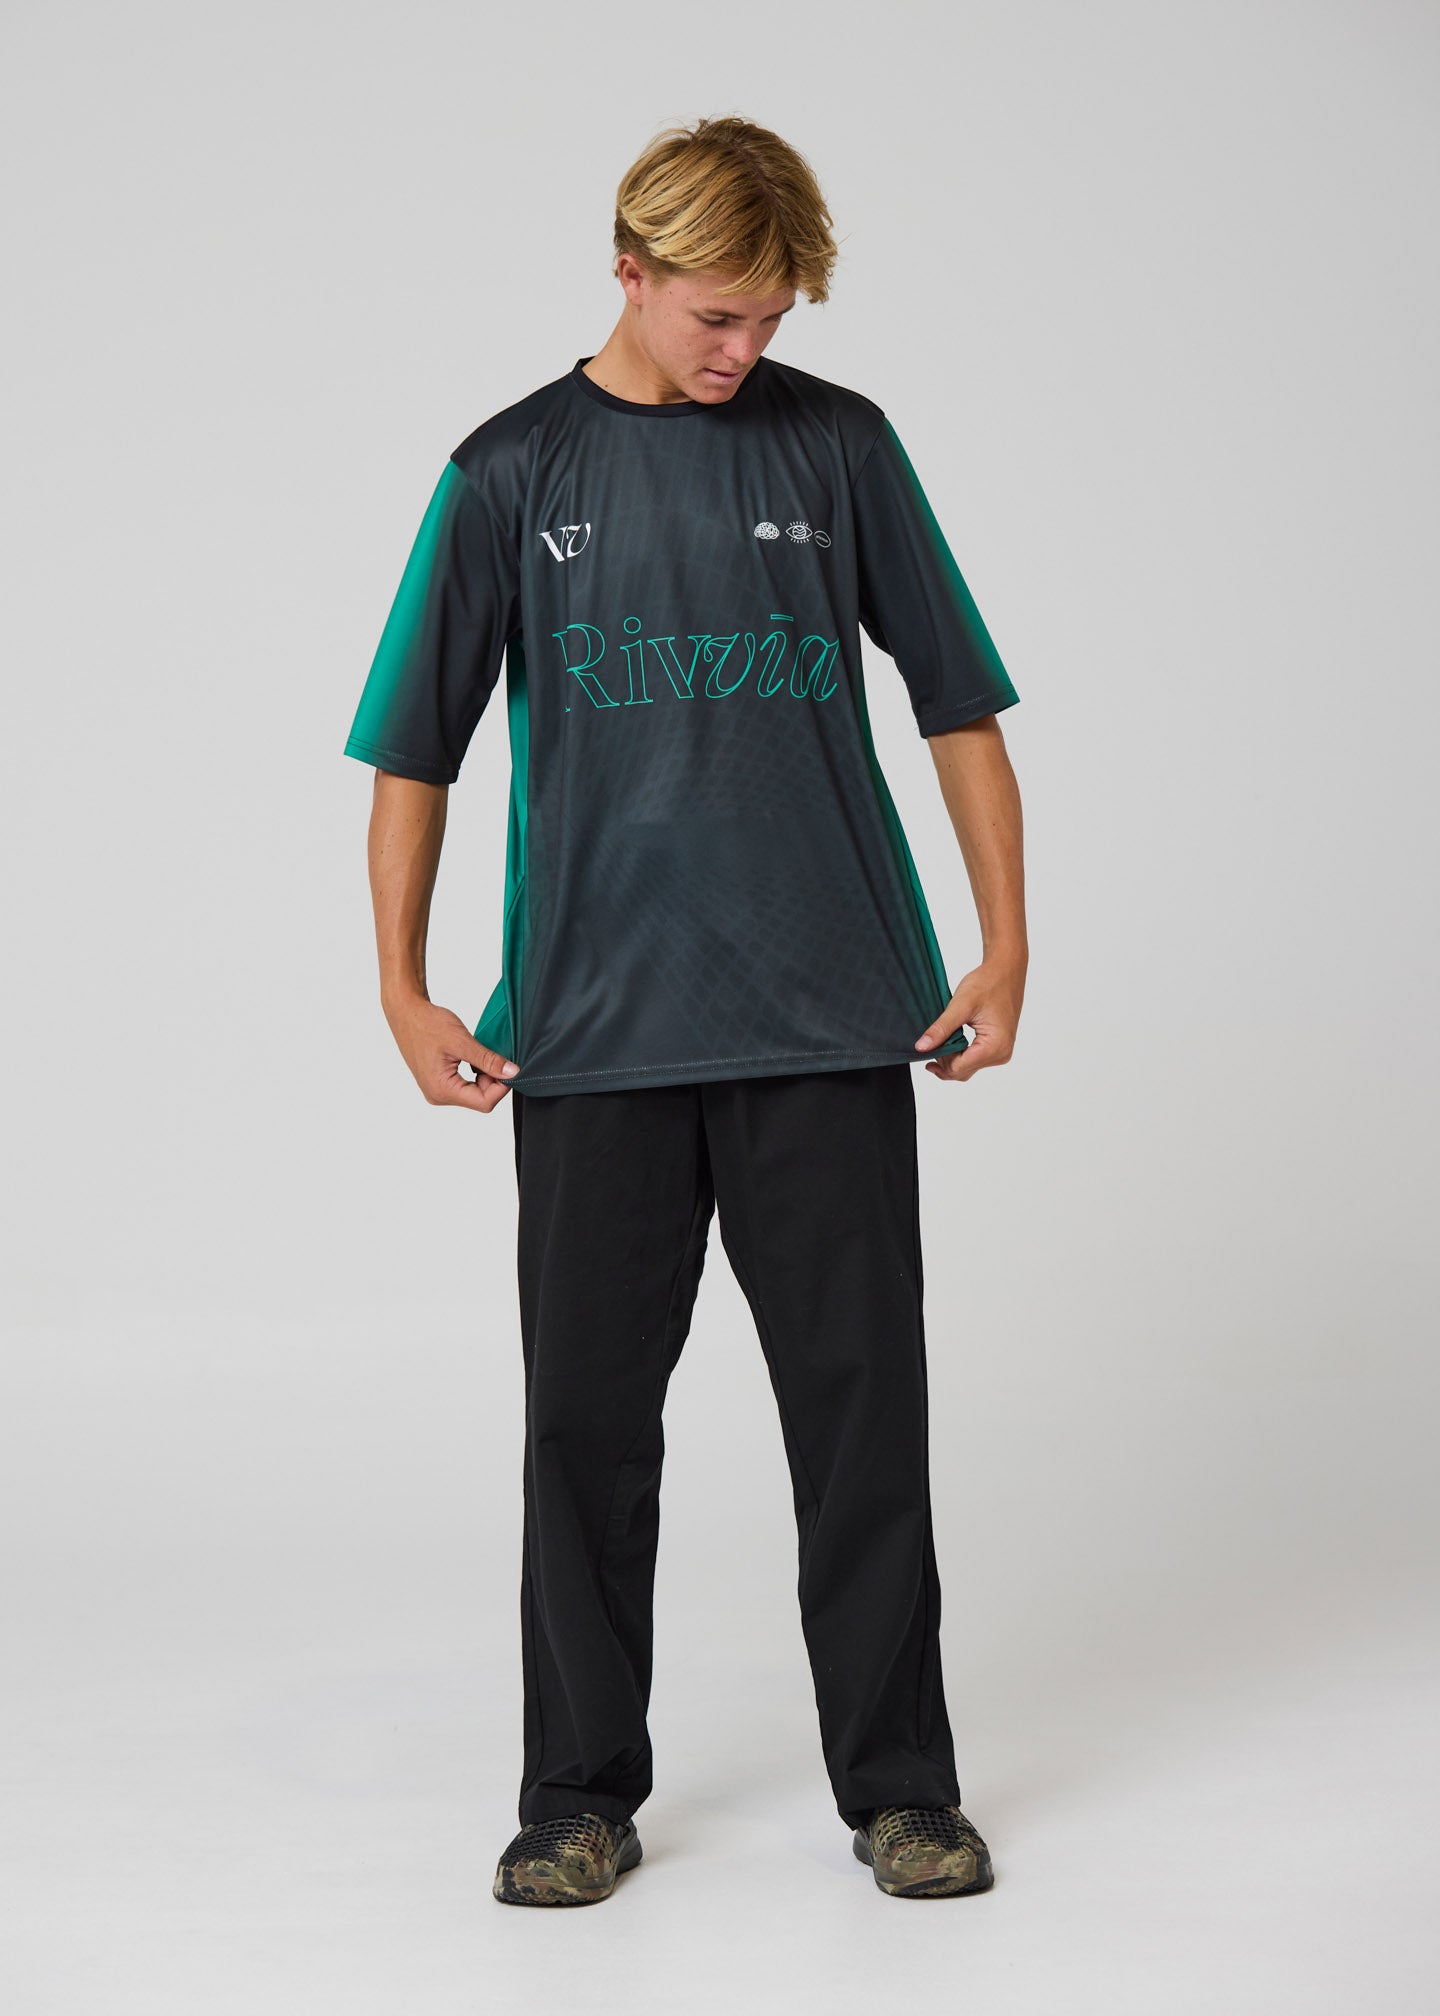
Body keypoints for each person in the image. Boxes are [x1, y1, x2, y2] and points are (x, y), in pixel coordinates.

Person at [342, 114, 1027, 1906]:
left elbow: (958, 702)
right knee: (583, 1431)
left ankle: (903, 1789)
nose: (746, 348)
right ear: (629, 272)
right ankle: (575, 1795)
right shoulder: (511, 470)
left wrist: (1004, 943)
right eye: (719, 314)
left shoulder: (842, 446)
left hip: (832, 1023)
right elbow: (414, 748)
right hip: (590, 1038)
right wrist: (401, 985)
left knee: (865, 1423)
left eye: (773, 318)